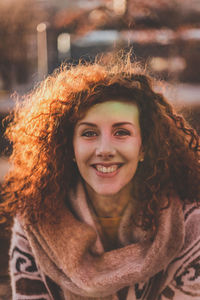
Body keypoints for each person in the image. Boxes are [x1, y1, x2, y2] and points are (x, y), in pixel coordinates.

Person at [1, 53, 200, 300]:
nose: (104, 149)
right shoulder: (35, 222)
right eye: (89, 133)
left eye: (121, 132)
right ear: (68, 146)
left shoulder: (189, 226)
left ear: (144, 147)